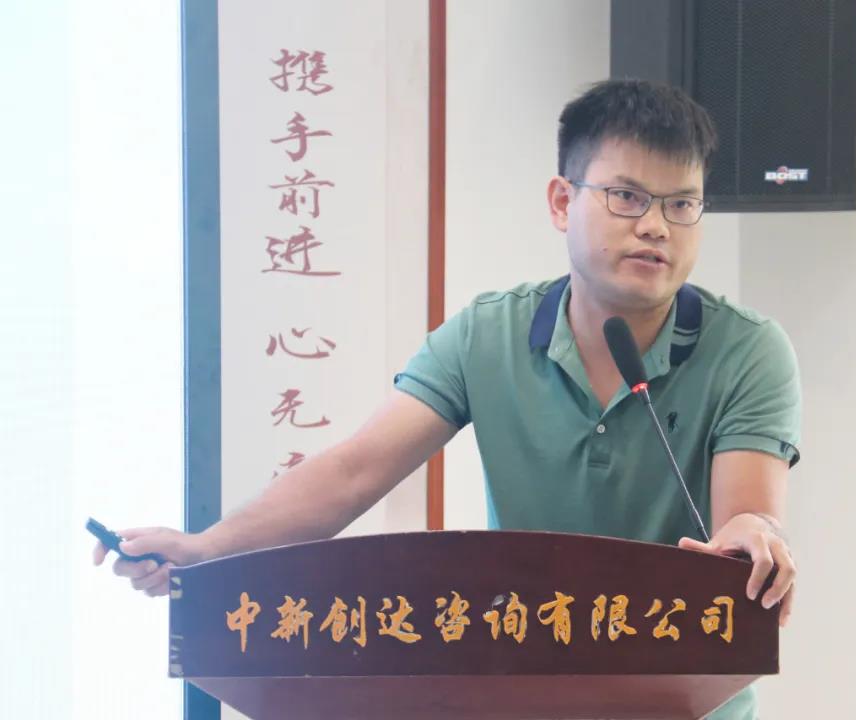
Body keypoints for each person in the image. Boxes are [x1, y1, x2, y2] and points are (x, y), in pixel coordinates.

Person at [93, 78, 801, 719]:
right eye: (627, 197)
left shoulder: (748, 350)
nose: (656, 227)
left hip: (683, 707)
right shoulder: (486, 335)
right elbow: (353, 472)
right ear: (563, 202)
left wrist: (753, 535)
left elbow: (746, 514)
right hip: (524, 696)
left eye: (682, 204)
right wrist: (206, 549)